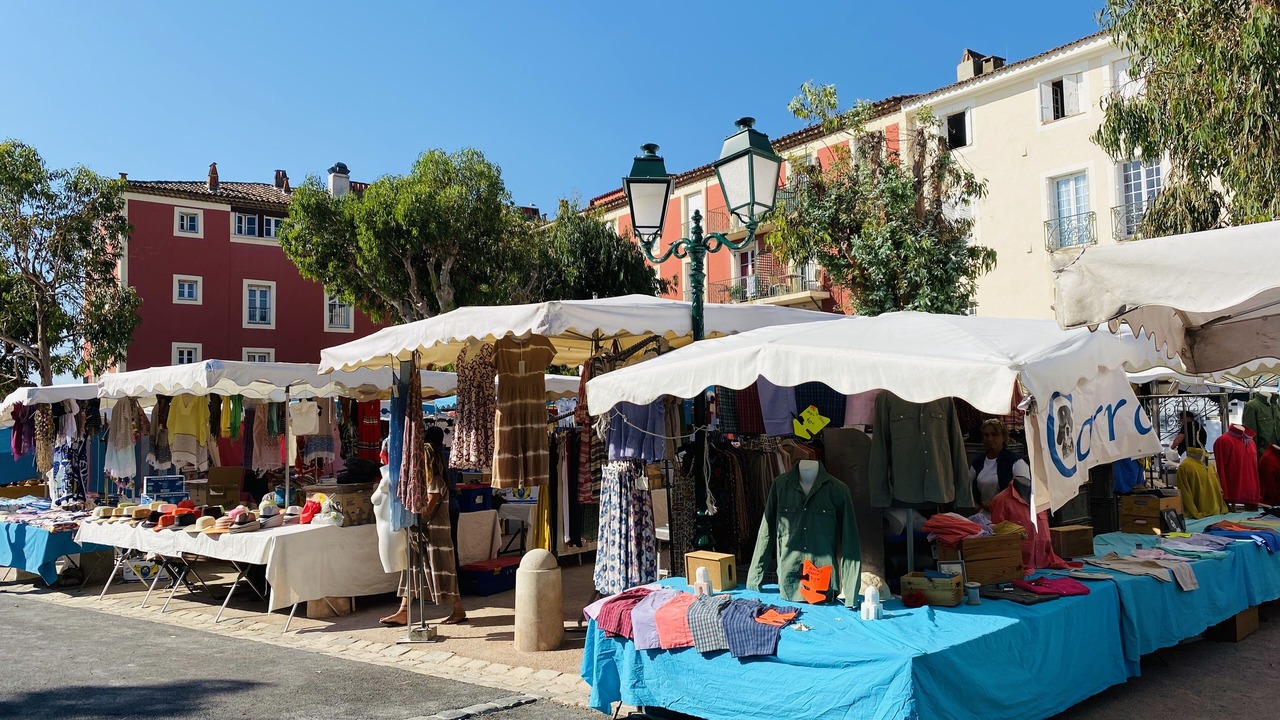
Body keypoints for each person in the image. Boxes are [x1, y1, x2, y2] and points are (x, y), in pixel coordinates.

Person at [379, 425, 467, 626]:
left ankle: (458, 609)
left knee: (443, 572)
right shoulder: (428, 483)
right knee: (412, 570)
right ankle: (403, 610)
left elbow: (427, 509)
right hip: (422, 533)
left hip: (436, 534)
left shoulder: (436, 482)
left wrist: (409, 504)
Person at [969, 419, 1030, 510]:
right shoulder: (977, 463)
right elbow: (967, 487)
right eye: (986, 435)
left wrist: (998, 503)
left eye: (994, 435)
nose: (989, 438)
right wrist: (974, 504)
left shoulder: (1016, 462)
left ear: (1003, 438)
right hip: (982, 516)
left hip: (1009, 516)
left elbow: (1024, 491)